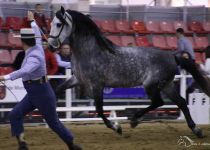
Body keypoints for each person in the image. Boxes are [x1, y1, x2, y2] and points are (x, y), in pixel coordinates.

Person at [0, 11, 81, 150]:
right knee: (15, 114)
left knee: (53, 123)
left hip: (42, 93)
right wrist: (32, 21)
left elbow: (24, 71)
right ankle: (22, 144)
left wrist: (5, 77)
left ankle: (71, 144)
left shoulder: (34, 57)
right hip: (33, 92)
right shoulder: (36, 46)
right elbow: (37, 32)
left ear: (22, 41)